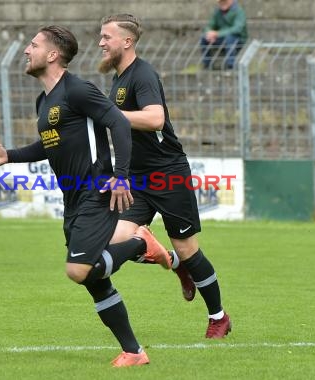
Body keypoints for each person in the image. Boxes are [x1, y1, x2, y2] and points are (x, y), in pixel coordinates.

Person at [0, 25, 171, 367]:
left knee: (78, 270)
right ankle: (134, 352)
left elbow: (120, 124)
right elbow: (50, 144)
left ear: (52, 55)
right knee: (96, 282)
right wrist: (10, 155)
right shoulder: (45, 99)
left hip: (96, 192)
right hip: (73, 198)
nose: (26, 50)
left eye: (33, 45)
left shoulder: (78, 90)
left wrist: (121, 178)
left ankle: (141, 243)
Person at [98, 14, 232, 339]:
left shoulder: (142, 74)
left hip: (168, 174)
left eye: (107, 37)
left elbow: (156, 118)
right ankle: (173, 263)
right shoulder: (118, 80)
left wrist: (110, 115)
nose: (101, 43)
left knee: (189, 248)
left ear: (126, 42)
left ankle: (218, 317)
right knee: (114, 240)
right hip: (138, 179)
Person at [200, 0, 247, 69]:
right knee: (204, 38)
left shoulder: (239, 11)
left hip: (237, 38)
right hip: (221, 37)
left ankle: (230, 65)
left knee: (230, 38)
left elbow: (237, 29)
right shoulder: (217, 12)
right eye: (221, 1)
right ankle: (207, 64)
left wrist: (217, 34)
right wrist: (209, 33)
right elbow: (210, 25)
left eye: (225, 1)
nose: (222, 3)